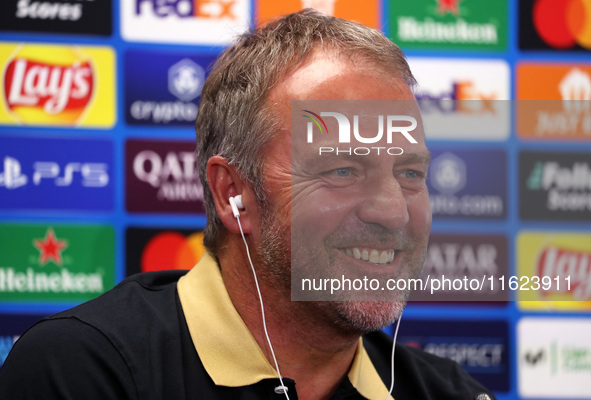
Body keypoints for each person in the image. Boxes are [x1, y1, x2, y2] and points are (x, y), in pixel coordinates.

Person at [0, 9, 495, 400]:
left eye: (410, 173)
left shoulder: (451, 392)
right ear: (232, 193)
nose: (393, 211)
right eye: (343, 170)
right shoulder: (81, 370)